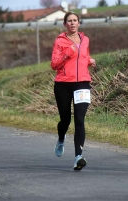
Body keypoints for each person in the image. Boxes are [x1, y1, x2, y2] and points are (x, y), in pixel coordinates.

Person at [50, 11, 96, 171]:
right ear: (65, 24)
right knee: (65, 120)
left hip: (82, 82)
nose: (72, 23)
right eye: (69, 21)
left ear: (79, 23)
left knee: (79, 120)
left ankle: (78, 157)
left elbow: (84, 56)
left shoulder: (85, 39)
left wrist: (90, 61)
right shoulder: (60, 41)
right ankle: (61, 138)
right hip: (63, 84)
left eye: (75, 20)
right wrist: (67, 54)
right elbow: (54, 64)